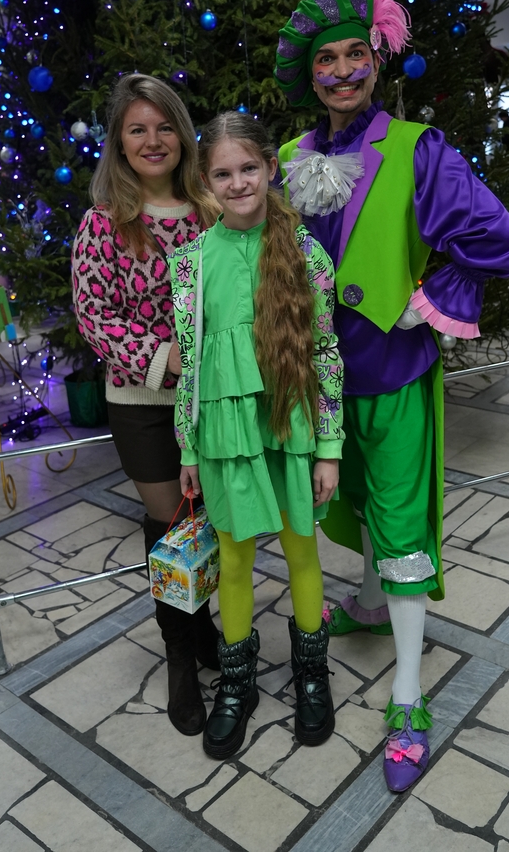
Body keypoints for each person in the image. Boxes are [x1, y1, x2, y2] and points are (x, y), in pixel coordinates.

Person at [273, 0, 509, 792]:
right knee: (352, 502)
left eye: (355, 55)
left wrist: (431, 297)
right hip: (320, 383)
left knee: (403, 517)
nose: (342, 70)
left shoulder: (420, 149)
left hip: (394, 368)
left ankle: (409, 694)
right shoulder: (292, 159)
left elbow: (496, 236)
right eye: (326, 59)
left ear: (377, 61)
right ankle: (371, 603)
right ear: (310, 74)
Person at [168, 112, 344, 759]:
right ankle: (237, 681)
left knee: (302, 554)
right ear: (205, 182)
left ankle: (311, 672)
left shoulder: (306, 253)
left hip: (291, 427)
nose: (238, 182)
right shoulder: (190, 263)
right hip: (224, 437)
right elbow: (190, 366)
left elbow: (326, 354)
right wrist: (189, 447)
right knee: (235, 561)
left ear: (271, 167)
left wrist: (329, 448)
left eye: (249, 168)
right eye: (223, 173)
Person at [71, 74, 220, 736]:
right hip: (143, 401)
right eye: (138, 129)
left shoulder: (211, 209)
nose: (153, 140)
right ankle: (180, 653)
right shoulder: (105, 223)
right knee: (171, 525)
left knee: (210, 516)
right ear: (120, 142)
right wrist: (167, 357)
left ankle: (206, 623)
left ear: (182, 135)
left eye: (164, 127)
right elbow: (95, 315)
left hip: (216, 396)